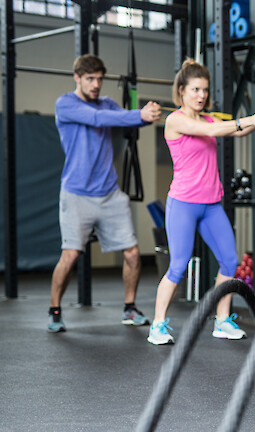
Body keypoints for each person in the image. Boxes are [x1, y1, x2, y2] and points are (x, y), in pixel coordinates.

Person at [147, 59, 255, 345]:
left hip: (211, 204)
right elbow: (213, 132)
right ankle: (157, 325)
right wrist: (248, 120)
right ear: (181, 91)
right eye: (195, 89)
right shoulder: (176, 120)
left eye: (204, 89)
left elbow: (235, 130)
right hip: (183, 204)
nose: (201, 95)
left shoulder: (209, 118)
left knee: (229, 261)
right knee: (178, 266)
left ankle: (222, 320)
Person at [48, 54, 161, 333]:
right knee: (70, 255)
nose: (96, 84)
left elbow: (123, 119)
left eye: (99, 78)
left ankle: (130, 308)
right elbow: (99, 118)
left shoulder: (107, 103)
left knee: (134, 255)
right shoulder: (65, 105)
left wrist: (146, 116)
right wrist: (138, 114)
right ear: (77, 78)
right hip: (76, 194)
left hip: (109, 193)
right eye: (90, 79)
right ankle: (54, 311)